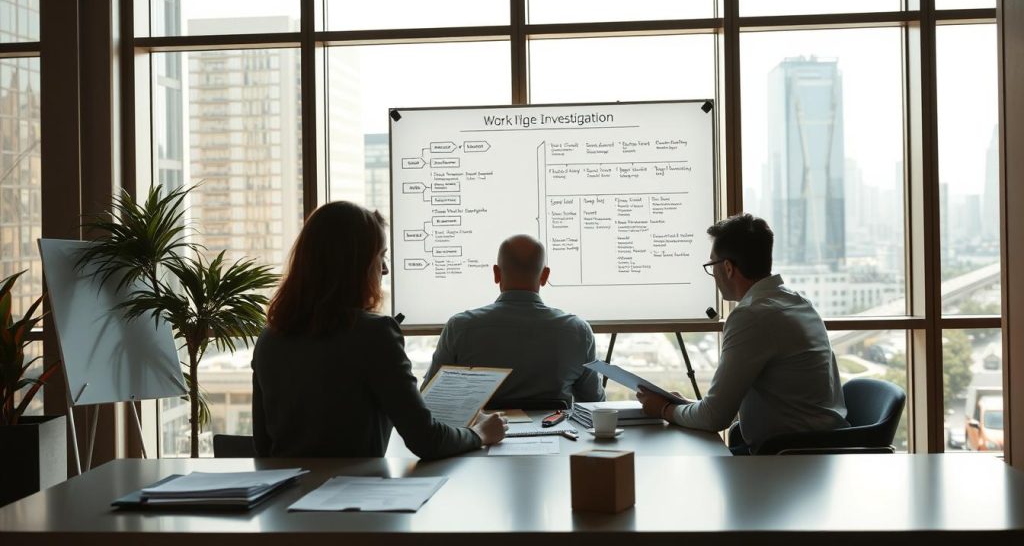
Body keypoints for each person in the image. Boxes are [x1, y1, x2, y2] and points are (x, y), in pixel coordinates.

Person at [252, 201, 506, 459]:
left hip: (287, 496)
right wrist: (479, 433)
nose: (384, 269)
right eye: (380, 256)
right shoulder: (374, 334)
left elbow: (262, 447)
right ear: (355, 265)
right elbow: (427, 440)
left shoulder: (269, 338)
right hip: (356, 493)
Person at [637, 213, 848, 454]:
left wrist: (664, 410)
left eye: (711, 265)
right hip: (819, 448)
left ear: (727, 268)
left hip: (788, 458)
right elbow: (721, 407)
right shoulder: (797, 302)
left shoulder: (752, 316)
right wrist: (683, 406)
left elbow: (714, 418)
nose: (712, 274)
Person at [424, 234, 605, 407]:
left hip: (481, 438)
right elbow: (594, 404)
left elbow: (430, 399)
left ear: (496, 273)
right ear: (545, 276)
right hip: (557, 435)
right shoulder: (579, 332)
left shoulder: (460, 328)